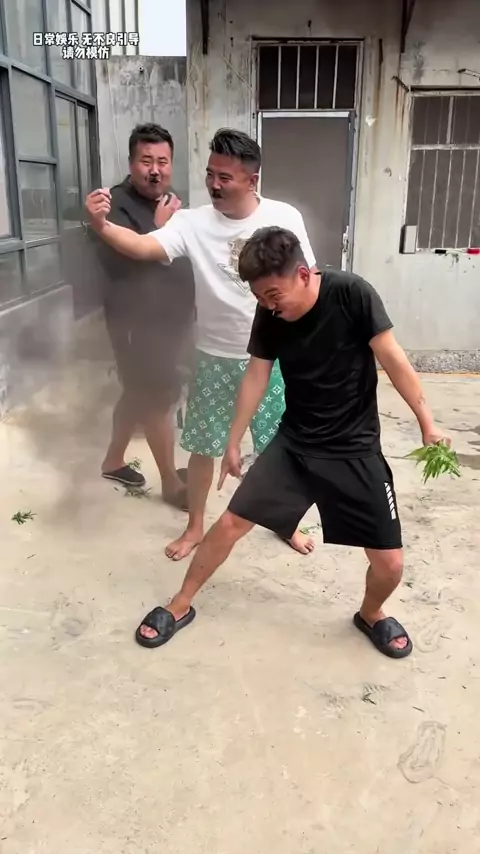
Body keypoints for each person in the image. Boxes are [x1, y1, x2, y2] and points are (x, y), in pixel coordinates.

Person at [135, 226, 451, 659]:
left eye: (273, 294)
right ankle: (181, 602)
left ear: (303, 274)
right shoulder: (270, 314)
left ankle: (371, 613)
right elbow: (257, 374)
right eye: (260, 297)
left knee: (390, 563)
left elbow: (392, 358)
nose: (268, 305)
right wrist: (233, 441)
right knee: (229, 524)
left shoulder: (352, 294)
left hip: (355, 449)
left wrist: (427, 422)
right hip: (295, 445)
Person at [85, 128, 317, 557]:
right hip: (213, 355)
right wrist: (101, 224)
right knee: (203, 448)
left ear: (252, 180)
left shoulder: (284, 217)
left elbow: (309, 279)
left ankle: (287, 522)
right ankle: (194, 527)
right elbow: (140, 246)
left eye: (224, 177)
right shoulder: (191, 222)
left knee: (279, 449)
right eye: (210, 174)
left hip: (270, 359)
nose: (213, 184)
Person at [95, 123, 195, 509]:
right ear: (131, 163)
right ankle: (170, 482)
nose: (155, 170)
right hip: (136, 323)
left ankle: (113, 460)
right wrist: (159, 229)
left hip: (168, 319)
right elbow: (121, 264)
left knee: (137, 390)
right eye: (146, 161)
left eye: (163, 161)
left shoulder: (170, 199)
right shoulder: (113, 205)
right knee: (156, 397)